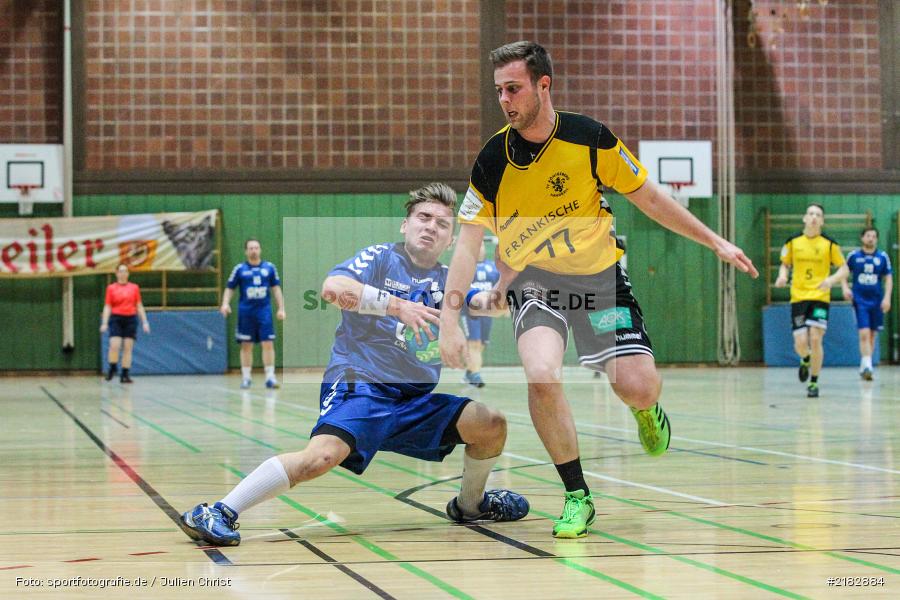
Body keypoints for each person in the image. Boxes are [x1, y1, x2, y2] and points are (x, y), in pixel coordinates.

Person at [439, 41, 758, 539]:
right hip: (536, 282)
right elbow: (467, 245)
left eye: (514, 88)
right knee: (541, 372)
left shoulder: (590, 138)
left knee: (635, 385)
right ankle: (577, 496)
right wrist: (449, 318)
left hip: (599, 279)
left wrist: (713, 239)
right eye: (499, 91)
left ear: (544, 85)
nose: (504, 100)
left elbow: (650, 198)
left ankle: (647, 410)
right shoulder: (491, 161)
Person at [181, 183, 529, 546]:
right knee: (320, 458)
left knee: (490, 423)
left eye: (442, 224)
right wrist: (399, 306)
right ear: (404, 225)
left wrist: (505, 277)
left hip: (412, 402)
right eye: (423, 218)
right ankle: (217, 510)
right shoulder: (380, 258)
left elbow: (492, 306)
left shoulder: (447, 280)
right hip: (361, 384)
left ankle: (470, 505)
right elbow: (333, 288)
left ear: (452, 239)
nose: (431, 227)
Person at [775, 203, 849, 397]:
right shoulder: (793, 242)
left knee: (816, 338)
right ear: (805, 218)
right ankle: (805, 358)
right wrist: (782, 276)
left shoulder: (829, 244)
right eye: (811, 213)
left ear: (822, 221)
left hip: (820, 297)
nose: (814, 217)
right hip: (798, 297)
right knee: (800, 343)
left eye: (818, 214)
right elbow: (784, 265)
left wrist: (830, 280)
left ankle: (814, 383)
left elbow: (844, 269)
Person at [221, 239, 286, 389]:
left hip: (264, 312)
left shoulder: (269, 268)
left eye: (256, 248)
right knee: (246, 345)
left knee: (268, 343)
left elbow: (276, 289)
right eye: (251, 248)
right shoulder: (240, 269)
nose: (254, 251)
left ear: (260, 249)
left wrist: (281, 308)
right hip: (246, 313)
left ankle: (270, 377)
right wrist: (225, 304)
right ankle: (246, 377)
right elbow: (230, 287)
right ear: (246, 251)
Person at [841, 227, 892, 380]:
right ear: (862, 238)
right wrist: (845, 287)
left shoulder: (883, 257)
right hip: (860, 300)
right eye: (868, 236)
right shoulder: (854, 256)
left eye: (874, 236)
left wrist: (887, 298)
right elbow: (843, 272)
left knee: (872, 335)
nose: (871, 238)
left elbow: (888, 278)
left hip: (876, 299)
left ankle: (865, 365)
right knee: (863, 332)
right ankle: (868, 366)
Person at [100, 264, 151, 383]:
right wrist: (104, 322)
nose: (123, 274)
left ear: (128, 273)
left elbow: (139, 305)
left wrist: (145, 322)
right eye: (121, 271)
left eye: (125, 271)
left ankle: (125, 374)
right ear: (116, 273)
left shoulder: (134, 288)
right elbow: (108, 306)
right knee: (114, 345)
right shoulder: (111, 288)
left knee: (128, 347)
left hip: (130, 318)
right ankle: (112, 367)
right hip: (116, 318)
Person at [461, 240, 500, 387]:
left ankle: (469, 372)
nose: (480, 249)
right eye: (477, 245)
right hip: (469, 312)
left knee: (482, 343)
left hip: (487, 313)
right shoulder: (465, 266)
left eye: (482, 245)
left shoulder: (493, 267)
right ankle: (476, 375)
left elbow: (500, 289)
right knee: (474, 343)